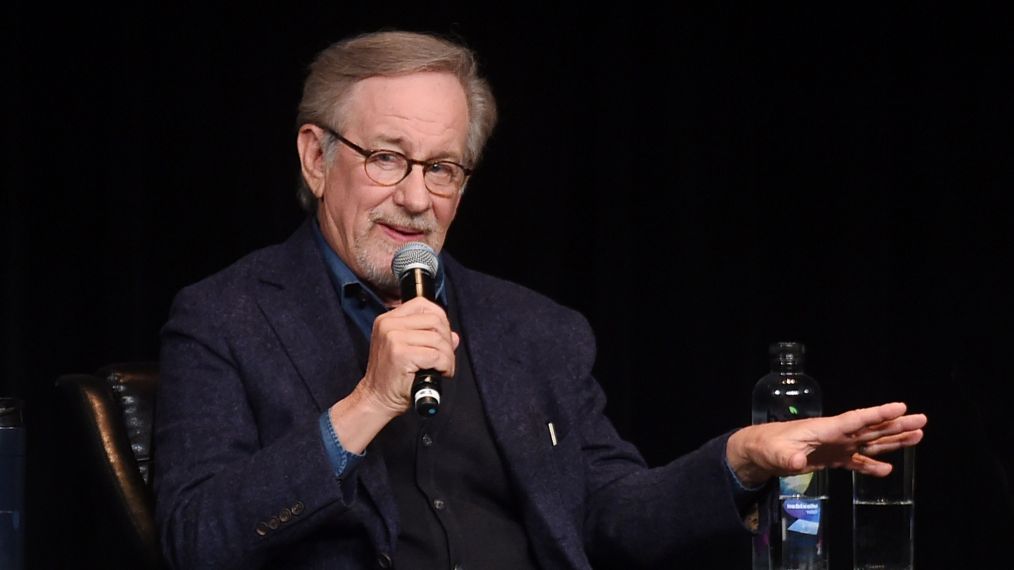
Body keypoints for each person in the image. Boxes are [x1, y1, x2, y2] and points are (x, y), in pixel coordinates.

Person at [153, 29, 927, 570]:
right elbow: (197, 538)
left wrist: (739, 461)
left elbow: (614, 516)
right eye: (388, 159)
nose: (417, 198)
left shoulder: (538, 330)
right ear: (317, 157)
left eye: (444, 168)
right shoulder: (226, 317)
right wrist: (361, 408)